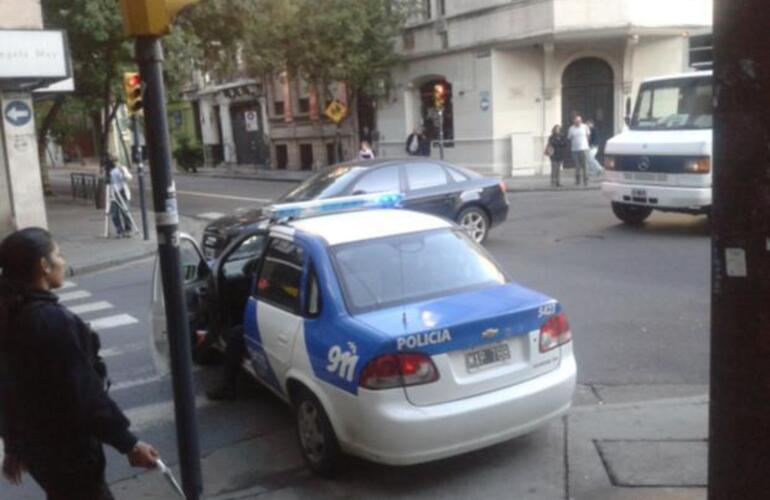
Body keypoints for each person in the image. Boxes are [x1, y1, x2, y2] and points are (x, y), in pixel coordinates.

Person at [0, 227, 159, 499]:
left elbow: (7, 390)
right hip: (68, 451)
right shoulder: (51, 321)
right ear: (43, 266)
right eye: (58, 255)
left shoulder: (9, 314)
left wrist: (15, 445)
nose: (63, 262)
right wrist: (129, 444)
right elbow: (85, 394)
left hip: (39, 454)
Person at [106, 157, 133, 238]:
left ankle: (128, 230)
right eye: (113, 162)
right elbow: (107, 181)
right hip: (113, 193)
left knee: (125, 212)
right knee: (114, 214)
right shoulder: (109, 171)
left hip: (122, 192)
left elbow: (129, 177)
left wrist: (123, 172)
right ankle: (119, 230)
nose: (114, 163)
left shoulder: (121, 168)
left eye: (115, 161)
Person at [567, 115, 591, 186]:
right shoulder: (571, 128)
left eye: (579, 121)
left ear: (581, 121)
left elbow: (588, 136)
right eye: (577, 121)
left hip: (584, 149)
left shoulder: (585, 127)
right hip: (575, 150)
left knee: (585, 165)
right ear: (574, 121)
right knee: (577, 166)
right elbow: (569, 138)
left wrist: (585, 144)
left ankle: (586, 180)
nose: (578, 122)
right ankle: (577, 180)